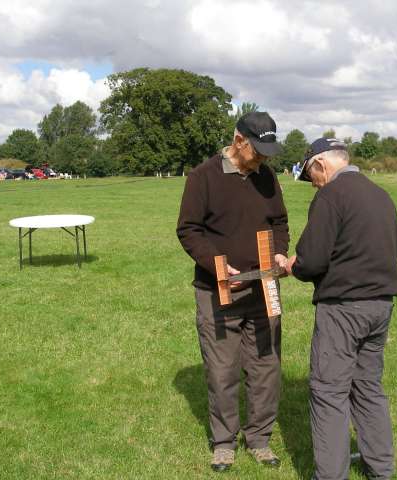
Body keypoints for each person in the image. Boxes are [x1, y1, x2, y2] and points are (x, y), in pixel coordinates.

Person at [177, 112, 289, 472]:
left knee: (266, 366)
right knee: (222, 371)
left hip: (263, 287)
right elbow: (189, 230)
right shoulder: (203, 177)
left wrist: (279, 252)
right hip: (217, 292)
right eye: (258, 151)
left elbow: (279, 221)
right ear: (238, 140)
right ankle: (224, 443)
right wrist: (218, 266)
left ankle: (260, 439)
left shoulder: (267, 176)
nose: (263, 159)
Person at [285, 137, 397, 480]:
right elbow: (392, 246)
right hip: (381, 306)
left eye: (310, 175)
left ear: (320, 164)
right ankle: (381, 470)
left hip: (343, 309)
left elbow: (312, 259)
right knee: (368, 388)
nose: (313, 184)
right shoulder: (380, 194)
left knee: (329, 392)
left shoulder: (331, 195)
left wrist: (294, 265)